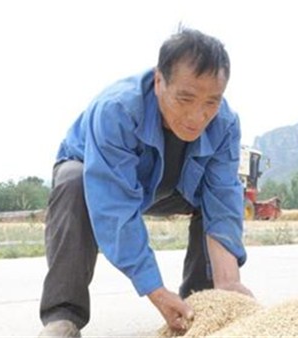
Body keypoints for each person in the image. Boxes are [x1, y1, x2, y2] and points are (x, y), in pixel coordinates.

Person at [38, 27, 252, 337]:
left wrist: (229, 282)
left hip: (173, 186)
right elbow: (113, 205)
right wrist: (155, 289)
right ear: (158, 81)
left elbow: (223, 197)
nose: (197, 116)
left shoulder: (226, 123)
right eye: (186, 98)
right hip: (97, 177)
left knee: (217, 196)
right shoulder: (117, 110)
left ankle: (202, 306)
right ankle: (63, 315)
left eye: (211, 102)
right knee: (72, 182)